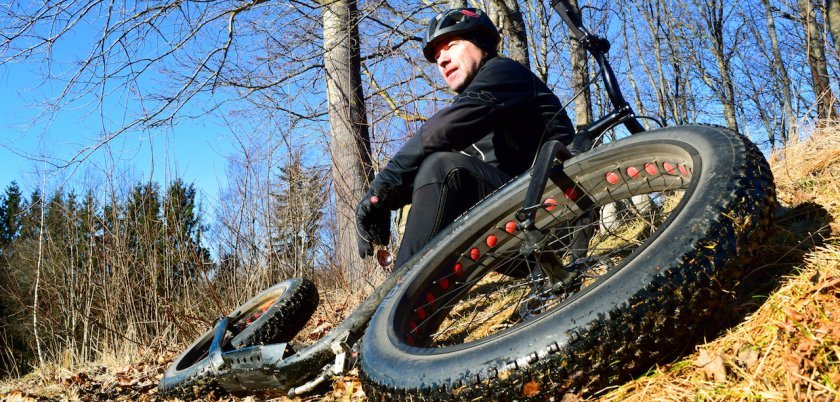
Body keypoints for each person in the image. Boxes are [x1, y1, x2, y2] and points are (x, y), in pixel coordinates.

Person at [355, 7, 575, 269]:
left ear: (480, 42)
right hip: (524, 223)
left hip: (560, 217)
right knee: (439, 168)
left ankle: (395, 299)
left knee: (443, 167)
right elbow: (444, 175)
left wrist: (380, 187)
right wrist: (384, 202)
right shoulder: (481, 108)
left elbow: (441, 132)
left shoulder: (504, 73)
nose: (442, 60)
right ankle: (408, 301)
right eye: (437, 56)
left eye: (451, 46)